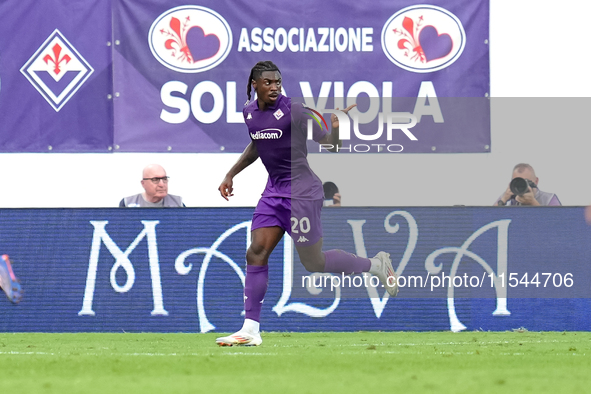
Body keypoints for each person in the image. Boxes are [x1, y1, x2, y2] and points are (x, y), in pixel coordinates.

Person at [215, 61, 398, 347]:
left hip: (303, 193)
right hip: (273, 192)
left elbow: (330, 144)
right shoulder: (249, 112)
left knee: (313, 262)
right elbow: (257, 144)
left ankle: (375, 265)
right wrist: (231, 173)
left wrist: (336, 127)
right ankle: (250, 329)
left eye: (278, 82)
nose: (274, 87)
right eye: (268, 83)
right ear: (254, 84)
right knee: (256, 251)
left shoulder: (295, 111)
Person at [494, 163, 561, 206]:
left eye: (526, 181)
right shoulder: (508, 195)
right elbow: (490, 217)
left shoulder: (549, 198)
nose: (521, 186)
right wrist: (503, 200)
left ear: (536, 181)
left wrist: (533, 203)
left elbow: (557, 222)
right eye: (518, 181)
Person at [119, 164, 185, 207]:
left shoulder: (178, 204)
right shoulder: (127, 203)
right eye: (155, 179)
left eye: (164, 179)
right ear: (143, 183)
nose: (162, 184)